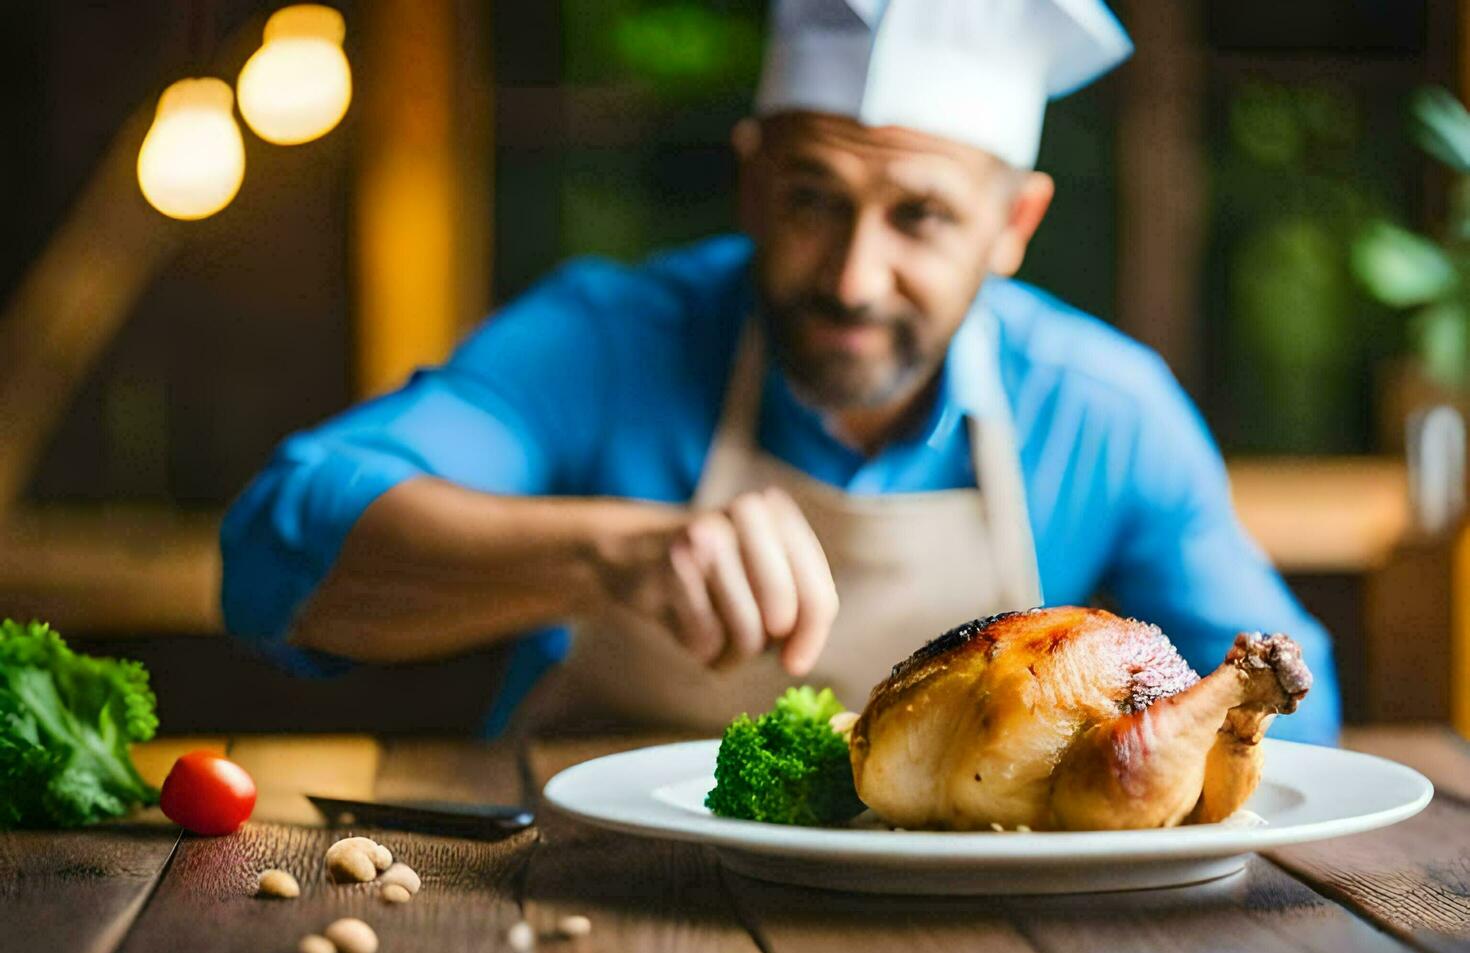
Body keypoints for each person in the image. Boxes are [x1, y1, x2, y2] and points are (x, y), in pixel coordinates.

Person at [221, 0, 1341, 744]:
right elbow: (276, 548)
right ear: (753, 184)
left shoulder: (1106, 411)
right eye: (813, 199)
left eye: (922, 217)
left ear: (1015, 225)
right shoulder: (605, 341)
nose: (854, 277)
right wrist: (606, 555)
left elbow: (1298, 717)